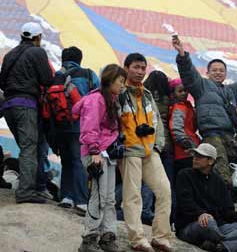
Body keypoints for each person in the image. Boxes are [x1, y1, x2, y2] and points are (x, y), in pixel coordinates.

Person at [172, 36, 237, 187]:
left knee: (231, 175)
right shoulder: (201, 86)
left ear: (226, 74)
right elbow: (189, 73)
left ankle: (226, 203)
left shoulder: (230, 92)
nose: (218, 73)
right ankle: (223, 207)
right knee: (221, 175)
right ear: (207, 73)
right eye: (214, 70)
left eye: (221, 70)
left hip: (231, 139)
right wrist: (182, 54)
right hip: (213, 136)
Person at [119, 53, 173, 252]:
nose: (140, 71)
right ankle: (137, 239)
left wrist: (157, 146)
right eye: (136, 67)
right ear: (126, 67)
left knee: (165, 191)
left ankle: (160, 237)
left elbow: (157, 122)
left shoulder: (148, 94)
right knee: (132, 195)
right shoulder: (119, 92)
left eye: (143, 68)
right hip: (130, 150)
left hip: (150, 151)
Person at [73, 64, 127, 252]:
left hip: (106, 154)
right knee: (98, 196)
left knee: (110, 198)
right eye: (120, 81)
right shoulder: (96, 99)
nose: (122, 85)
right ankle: (89, 239)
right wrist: (95, 151)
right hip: (96, 153)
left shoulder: (111, 99)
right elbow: (90, 127)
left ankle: (107, 237)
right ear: (111, 80)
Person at [0, 22, 53, 203]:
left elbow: (2, 82)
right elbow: (47, 79)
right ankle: (25, 192)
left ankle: (27, 186)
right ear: (37, 38)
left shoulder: (9, 55)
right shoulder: (37, 52)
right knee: (29, 149)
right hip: (26, 105)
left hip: (8, 106)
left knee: (25, 148)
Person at [176, 142, 237, 251]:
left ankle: (221, 246)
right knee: (209, 222)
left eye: (200, 156)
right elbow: (185, 202)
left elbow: (227, 211)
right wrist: (200, 214)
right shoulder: (184, 174)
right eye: (195, 155)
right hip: (191, 226)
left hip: (217, 226)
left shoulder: (218, 181)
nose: (195, 158)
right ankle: (226, 241)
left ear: (211, 161)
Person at [55, 46, 99, 212]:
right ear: (80, 59)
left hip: (60, 127)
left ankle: (67, 196)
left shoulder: (57, 76)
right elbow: (99, 95)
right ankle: (81, 200)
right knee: (78, 162)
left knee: (66, 161)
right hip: (80, 125)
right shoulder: (88, 74)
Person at [143, 70, 174, 225]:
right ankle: (156, 213)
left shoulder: (144, 96)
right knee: (163, 181)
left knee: (146, 179)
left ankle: (144, 209)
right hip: (165, 142)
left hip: (147, 140)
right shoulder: (168, 99)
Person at [169, 79, 200, 178]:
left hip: (189, 151)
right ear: (173, 94)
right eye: (180, 91)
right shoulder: (179, 107)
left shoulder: (187, 106)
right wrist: (189, 145)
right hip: (184, 153)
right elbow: (176, 129)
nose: (183, 93)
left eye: (185, 90)